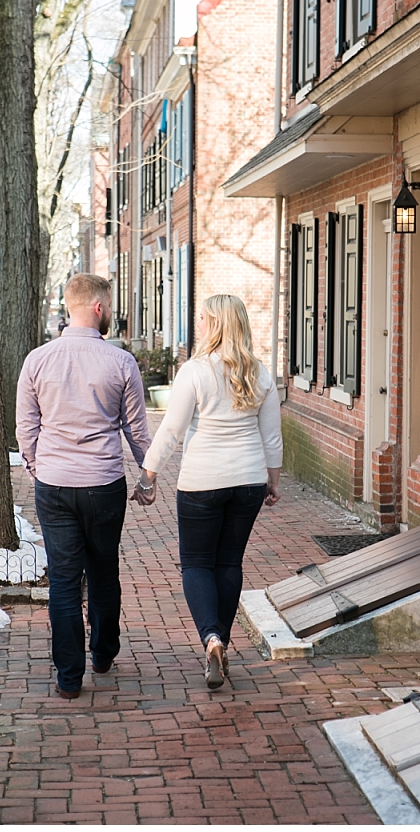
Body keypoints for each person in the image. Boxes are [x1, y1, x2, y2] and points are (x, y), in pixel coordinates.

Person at [134, 294, 282, 690]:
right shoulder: (260, 374)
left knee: (197, 563)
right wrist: (274, 480)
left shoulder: (195, 371)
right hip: (248, 480)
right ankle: (223, 640)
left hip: (202, 481)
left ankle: (211, 638)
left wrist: (148, 475)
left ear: (214, 324)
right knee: (229, 563)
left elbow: (171, 431)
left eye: (203, 319)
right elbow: (271, 436)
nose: (199, 324)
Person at [16, 273, 152, 699]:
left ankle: (69, 676)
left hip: (54, 485)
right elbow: (137, 431)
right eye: (108, 305)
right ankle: (104, 653)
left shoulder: (37, 360)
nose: (110, 312)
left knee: (63, 580)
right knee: (103, 571)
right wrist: (148, 478)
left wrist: (39, 467)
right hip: (104, 483)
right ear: (97, 308)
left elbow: (26, 427)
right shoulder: (121, 362)